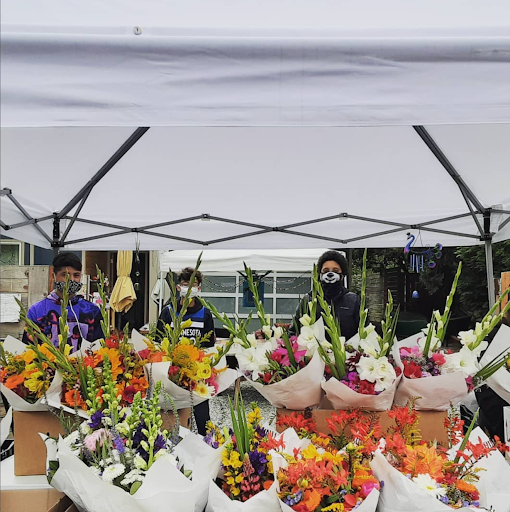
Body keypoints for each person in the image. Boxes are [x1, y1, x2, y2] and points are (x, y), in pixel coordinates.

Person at [156, 267, 216, 435]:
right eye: (185, 284)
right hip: (172, 375)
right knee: (171, 419)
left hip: (196, 376)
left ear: (199, 288)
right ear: (177, 287)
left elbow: (209, 346)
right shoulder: (168, 312)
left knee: (203, 419)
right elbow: (157, 341)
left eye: (194, 285)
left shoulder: (205, 314)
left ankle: (206, 446)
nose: (189, 288)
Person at [22, 252, 103, 351]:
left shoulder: (92, 311)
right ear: (53, 276)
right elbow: (28, 350)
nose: (71, 280)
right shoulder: (37, 311)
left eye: (76, 275)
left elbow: (100, 350)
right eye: (65, 275)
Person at [290, 250, 360, 340]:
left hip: (347, 352)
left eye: (335, 270)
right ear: (320, 274)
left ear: (343, 274)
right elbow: (293, 332)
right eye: (326, 270)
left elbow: (363, 332)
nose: (330, 274)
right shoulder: (309, 300)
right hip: (314, 352)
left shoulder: (353, 300)